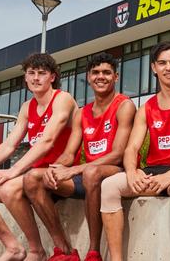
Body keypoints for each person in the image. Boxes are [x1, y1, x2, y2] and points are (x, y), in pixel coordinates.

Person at [0, 53, 77, 261]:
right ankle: (14, 248)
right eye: (31, 73)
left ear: (52, 77)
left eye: (42, 73)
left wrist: (14, 170)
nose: (36, 78)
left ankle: (36, 251)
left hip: (60, 174)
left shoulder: (62, 99)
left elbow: (47, 141)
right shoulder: (27, 107)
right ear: (25, 78)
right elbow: (9, 145)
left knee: (9, 187)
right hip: (31, 176)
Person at [100, 41, 170, 261]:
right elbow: (131, 148)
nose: (168, 67)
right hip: (153, 172)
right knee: (109, 186)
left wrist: (169, 176)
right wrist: (132, 172)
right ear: (154, 68)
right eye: (163, 63)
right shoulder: (147, 107)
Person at [22, 53, 136, 261]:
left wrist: (75, 169)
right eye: (95, 73)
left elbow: (118, 153)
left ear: (116, 77)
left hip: (113, 172)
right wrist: (54, 168)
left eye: (106, 73)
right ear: (89, 77)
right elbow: (69, 153)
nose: (101, 77)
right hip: (87, 176)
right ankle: (63, 251)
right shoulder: (82, 113)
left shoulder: (124, 105)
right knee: (32, 178)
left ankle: (93, 252)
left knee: (91, 171)